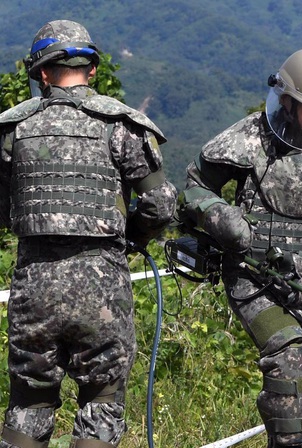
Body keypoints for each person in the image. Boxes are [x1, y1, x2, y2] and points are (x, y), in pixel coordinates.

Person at [180, 48, 302, 447]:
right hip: (255, 280)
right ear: (286, 101)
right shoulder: (250, 138)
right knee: (288, 354)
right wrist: (223, 218)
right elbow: (196, 187)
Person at [0, 20, 177, 448]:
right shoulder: (122, 126)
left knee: (30, 402)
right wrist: (131, 237)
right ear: (92, 69)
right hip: (103, 287)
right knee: (101, 402)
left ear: (42, 73)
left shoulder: (12, 130)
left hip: (34, 284)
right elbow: (162, 204)